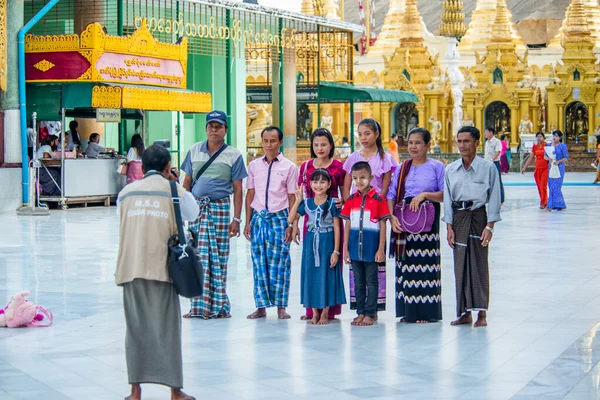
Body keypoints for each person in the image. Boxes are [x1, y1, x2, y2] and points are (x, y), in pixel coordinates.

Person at [115, 144, 199, 400]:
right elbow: (193, 213)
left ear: (141, 165)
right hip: (162, 268)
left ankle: (135, 391)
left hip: (131, 267)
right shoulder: (174, 190)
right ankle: (175, 391)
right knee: (168, 331)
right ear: (167, 167)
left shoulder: (126, 192)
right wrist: (177, 184)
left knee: (136, 330)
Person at [181, 110, 247, 319]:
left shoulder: (234, 155)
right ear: (206, 128)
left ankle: (218, 305)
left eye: (219, 126)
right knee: (196, 258)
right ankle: (197, 307)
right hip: (196, 211)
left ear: (225, 130)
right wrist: (183, 214)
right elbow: (187, 184)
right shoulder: (193, 151)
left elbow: (238, 189)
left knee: (219, 258)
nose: (214, 130)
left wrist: (236, 219)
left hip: (219, 209)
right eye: (211, 126)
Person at [443, 126, 501, 328]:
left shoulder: (488, 168)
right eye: (459, 141)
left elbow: (494, 197)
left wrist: (490, 226)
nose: (462, 145)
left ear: (477, 143)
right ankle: (464, 312)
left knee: (479, 263)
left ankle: (482, 313)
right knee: (460, 265)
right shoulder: (450, 169)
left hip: (478, 216)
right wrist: (449, 226)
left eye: (466, 141)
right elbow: (448, 198)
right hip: (459, 217)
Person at [387, 128, 445, 323]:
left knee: (426, 266)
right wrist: (391, 218)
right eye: (410, 142)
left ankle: (426, 313)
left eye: (418, 142)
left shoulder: (437, 167)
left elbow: (445, 194)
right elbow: (392, 195)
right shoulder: (402, 167)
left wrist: (425, 195)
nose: (413, 146)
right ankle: (409, 312)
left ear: (428, 145)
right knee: (405, 265)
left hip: (427, 220)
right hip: (403, 219)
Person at [343, 118, 396, 315]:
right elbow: (347, 183)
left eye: (367, 133)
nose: (363, 138)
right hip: (357, 211)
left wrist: (378, 204)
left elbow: (387, 187)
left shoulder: (386, 158)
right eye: (360, 134)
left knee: (374, 268)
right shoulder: (353, 158)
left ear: (376, 134)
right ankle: (361, 309)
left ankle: (373, 310)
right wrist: (348, 201)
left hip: (376, 211)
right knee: (357, 270)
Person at [244, 126, 298, 320]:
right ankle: (261, 306)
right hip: (259, 218)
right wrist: (247, 221)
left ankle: (281, 307)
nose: (268, 145)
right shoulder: (254, 166)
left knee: (281, 263)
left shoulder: (289, 167)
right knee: (259, 264)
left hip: (280, 219)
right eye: (265, 141)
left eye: (273, 141)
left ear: (280, 142)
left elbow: (293, 197)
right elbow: (250, 193)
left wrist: (291, 224)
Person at [296, 128, 346, 321]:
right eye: (316, 144)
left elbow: (344, 193)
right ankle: (311, 309)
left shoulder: (339, 167)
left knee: (330, 266)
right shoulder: (306, 166)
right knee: (311, 265)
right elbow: (302, 197)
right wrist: (294, 225)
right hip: (310, 218)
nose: (320, 148)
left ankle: (329, 309)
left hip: (332, 218)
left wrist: (343, 203)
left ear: (331, 145)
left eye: (324, 144)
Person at [289, 169, 346, 325]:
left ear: (328, 184)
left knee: (327, 274)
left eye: (322, 182)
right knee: (311, 274)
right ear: (310, 184)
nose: (318, 185)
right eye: (315, 182)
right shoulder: (306, 203)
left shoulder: (333, 202)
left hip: (327, 241)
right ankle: (314, 313)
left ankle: (325, 313)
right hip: (311, 241)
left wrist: (336, 251)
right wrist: (298, 200)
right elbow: (291, 217)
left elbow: (337, 227)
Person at [341, 162, 390, 326]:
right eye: (355, 178)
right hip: (355, 249)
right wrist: (345, 248)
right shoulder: (350, 200)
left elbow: (383, 224)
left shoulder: (378, 199)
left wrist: (381, 248)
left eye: (362, 177)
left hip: (371, 249)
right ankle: (360, 311)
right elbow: (347, 225)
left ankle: (371, 313)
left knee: (372, 281)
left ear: (370, 177)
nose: (358, 181)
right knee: (358, 282)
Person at [521, 132, 549, 208]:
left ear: (544, 137)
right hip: (537, 169)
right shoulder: (535, 146)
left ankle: (543, 202)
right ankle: (544, 200)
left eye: (540, 136)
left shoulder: (547, 145)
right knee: (539, 186)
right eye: (537, 137)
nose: (539, 138)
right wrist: (524, 167)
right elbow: (530, 157)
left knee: (543, 185)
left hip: (545, 168)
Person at [545, 130, 569, 212]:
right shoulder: (548, 145)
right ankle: (558, 204)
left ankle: (551, 205)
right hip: (551, 167)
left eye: (556, 136)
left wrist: (558, 161)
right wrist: (549, 159)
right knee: (551, 186)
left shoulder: (562, 146)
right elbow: (545, 156)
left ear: (560, 137)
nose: (554, 137)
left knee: (556, 187)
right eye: (553, 135)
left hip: (559, 168)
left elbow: (566, 157)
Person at [484, 126, 505, 204]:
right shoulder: (486, 142)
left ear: (491, 132)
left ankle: (501, 199)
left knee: (498, 180)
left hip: (494, 163)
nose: (485, 134)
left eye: (486, 132)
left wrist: (491, 160)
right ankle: (490, 197)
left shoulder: (497, 141)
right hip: (487, 163)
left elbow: (498, 152)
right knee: (488, 181)